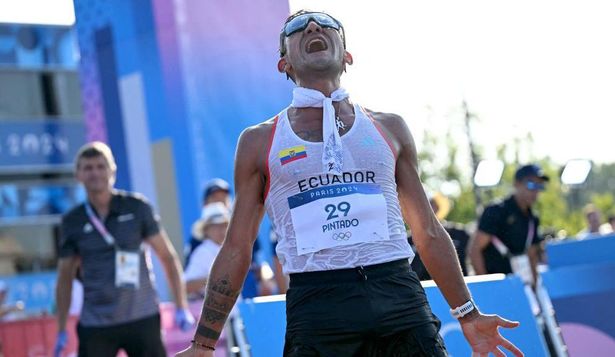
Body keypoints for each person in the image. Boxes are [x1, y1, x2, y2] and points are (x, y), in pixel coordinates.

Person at [178, 10, 522, 357]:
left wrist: (468, 313)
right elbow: (237, 246)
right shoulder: (259, 141)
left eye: (326, 24)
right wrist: (204, 345)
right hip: (318, 307)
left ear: (347, 56)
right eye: (296, 27)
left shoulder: (391, 127)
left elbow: (427, 231)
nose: (313, 26)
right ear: (284, 65)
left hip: (398, 296)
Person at [54, 142, 194, 357]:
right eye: (88, 168)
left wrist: (181, 305)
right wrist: (61, 327)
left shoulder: (137, 207)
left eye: (101, 166)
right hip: (96, 322)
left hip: (142, 315)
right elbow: (65, 277)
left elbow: (167, 257)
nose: (95, 173)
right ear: (78, 175)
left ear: (113, 171)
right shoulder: (72, 220)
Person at [470, 164, 548, 285]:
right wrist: (486, 286)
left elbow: (532, 254)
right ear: (516, 184)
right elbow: (475, 249)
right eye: (531, 184)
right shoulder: (496, 211)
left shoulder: (533, 218)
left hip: (521, 286)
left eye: (540, 186)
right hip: (497, 286)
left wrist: (534, 286)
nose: (535, 191)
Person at [410, 193, 471, 280]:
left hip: (457, 285)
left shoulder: (460, 234)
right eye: (422, 204)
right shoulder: (409, 239)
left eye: (431, 204)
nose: (429, 208)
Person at [184, 203, 231, 298]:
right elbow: (186, 286)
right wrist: (214, 280)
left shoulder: (229, 249)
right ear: (206, 230)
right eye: (216, 226)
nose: (222, 230)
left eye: (225, 225)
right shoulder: (202, 252)